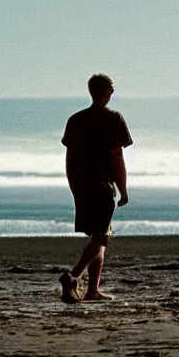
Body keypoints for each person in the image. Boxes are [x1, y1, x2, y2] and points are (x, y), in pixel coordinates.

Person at [59, 74, 133, 303]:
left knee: (101, 235)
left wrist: (74, 188)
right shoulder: (114, 118)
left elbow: (69, 159)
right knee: (101, 237)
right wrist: (123, 189)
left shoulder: (75, 120)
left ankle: (93, 291)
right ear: (107, 92)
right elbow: (117, 157)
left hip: (82, 184)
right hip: (102, 185)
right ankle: (73, 276)